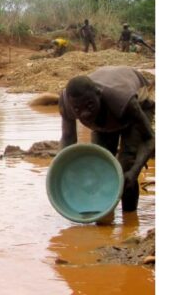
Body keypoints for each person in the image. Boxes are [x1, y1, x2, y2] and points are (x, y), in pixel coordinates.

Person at [58, 66, 155, 212]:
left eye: (89, 105)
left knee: (125, 169)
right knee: (99, 167)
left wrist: (135, 171)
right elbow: (68, 138)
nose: (84, 114)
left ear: (98, 94)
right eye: (78, 110)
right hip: (108, 114)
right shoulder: (67, 103)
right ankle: (102, 215)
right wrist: (61, 171)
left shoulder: (123, 100)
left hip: (137, 107)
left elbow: (150, 139)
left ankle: (129, 220)